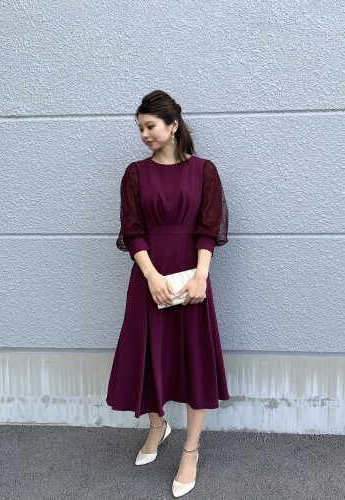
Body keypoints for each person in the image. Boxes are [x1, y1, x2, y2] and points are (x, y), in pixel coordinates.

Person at [106, 89, 230, 498]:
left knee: (195, 362)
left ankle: (190, 451)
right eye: (140, 128)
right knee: (149, 355)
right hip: (149, 276)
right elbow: (132, 229)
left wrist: (201, 277)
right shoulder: (135, 174)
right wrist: (151, 276)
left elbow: (209, 227)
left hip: (192, 277)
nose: (144, 134)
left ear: (173, 125)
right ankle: (158, 427)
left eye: (151, 126)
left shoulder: (205, 171)